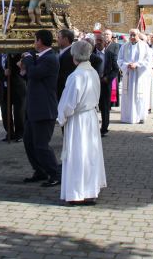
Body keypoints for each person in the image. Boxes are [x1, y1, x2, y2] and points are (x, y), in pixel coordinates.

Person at [57, 40, 107, 205]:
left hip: (78, 120)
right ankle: (90, 190)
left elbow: (69, 102)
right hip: (90, 117)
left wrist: (61, 118)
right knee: (89, 154)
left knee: (79, 154)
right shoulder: (92, 71)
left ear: (74, 56)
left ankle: (78, 192)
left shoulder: (76, 76)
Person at [17, 29, 61, 187]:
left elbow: (35, 73)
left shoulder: (50, 58)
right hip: (33, 108)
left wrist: (28, 59)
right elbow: (31, 77)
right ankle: (40, 170)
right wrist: (23, 70)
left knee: (41, 145)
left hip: (44, 109)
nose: (34, 43)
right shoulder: (40, 58)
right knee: (29, 142)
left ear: (40, 41)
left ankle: (55, 174)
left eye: (35, 40)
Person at [117, 29, 153, 124]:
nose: (132, 37)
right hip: (128, 74)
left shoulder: (144, 46)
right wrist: (126, 65)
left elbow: (148, 60)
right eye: (131, 35)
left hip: (139, 75)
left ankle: (140, 116)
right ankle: (127, 117)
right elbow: (119, 59)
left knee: (140, 96)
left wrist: (137, 65)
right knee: (127, 95)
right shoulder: (124, 46)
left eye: (134, 35)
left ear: (138, 35)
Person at [0, 53, 26, 142]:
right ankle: (9, 132)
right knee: (5, 112)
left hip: (17, 88)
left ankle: (20, 133)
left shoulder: (17, 56)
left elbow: (19, 70)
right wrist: (3, 74)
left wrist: (12, 58)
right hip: (4, 89)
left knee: (19, 112)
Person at [95, 32, 119, 137]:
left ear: (105, 43)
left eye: (101, 41)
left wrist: (107, 78)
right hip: (93, 85)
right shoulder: (91, 54)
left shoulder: (110, 55)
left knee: (105, 107)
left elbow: (115, 70)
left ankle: (104, 128)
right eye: (97, 41)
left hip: (105, 84)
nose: (99, 43)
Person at [56, 29, 76, 99]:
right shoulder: (58, 52)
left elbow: (65, 75)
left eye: (59, 37)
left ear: (66, 39)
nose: (56, 40)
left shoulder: (70, 54)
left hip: (64, 91)